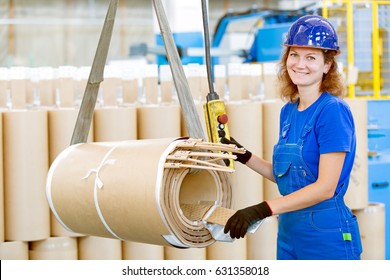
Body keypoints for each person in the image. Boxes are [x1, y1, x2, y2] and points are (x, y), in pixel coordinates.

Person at [222, 14, 362, 260]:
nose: (300, 64)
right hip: (289, 233)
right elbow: (288, 178)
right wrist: (242, 155)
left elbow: (324, 188)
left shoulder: (332, 111)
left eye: (311, 57)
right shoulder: (289, 111)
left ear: (327, 65)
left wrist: (262, 209)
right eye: (294, 55)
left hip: (326, 235)